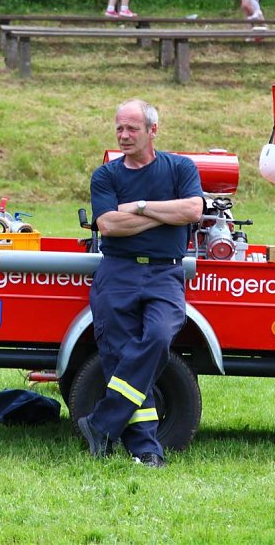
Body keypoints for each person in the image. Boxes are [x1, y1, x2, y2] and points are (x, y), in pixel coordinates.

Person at [78, 99, 204, 468]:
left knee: (159, 337)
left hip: (166, 273)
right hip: (118, 272)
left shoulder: (180, 167)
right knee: (120, 358)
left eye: (132, 128)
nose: (124, 135)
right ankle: (146, 450)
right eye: (119, 128)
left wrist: (140, 207)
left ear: (153, 130)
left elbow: (193, 210)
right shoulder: (107, 175)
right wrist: (167, 215)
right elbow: (109, 225)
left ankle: (101, 422)